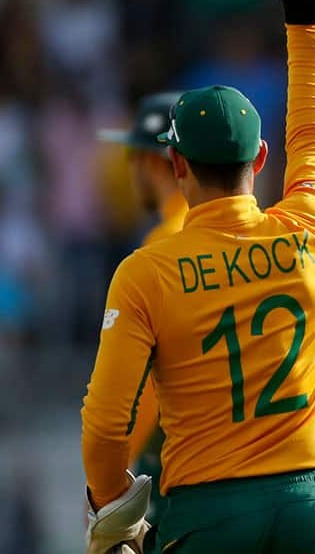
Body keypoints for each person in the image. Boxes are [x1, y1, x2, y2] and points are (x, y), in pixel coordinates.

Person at [81, 0, 315, 553]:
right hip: (313, 507)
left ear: (176, 164)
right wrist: (305, 29)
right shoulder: (310, 230)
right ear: (260, 160)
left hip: (207, 515)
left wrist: (109, 506)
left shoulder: (146, 272)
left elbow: (108, 422)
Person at [96, 90, 189, 529]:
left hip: (180, 472)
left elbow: (143, 392)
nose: (130, 171)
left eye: (135, 157)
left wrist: (113, 486)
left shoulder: (163, 247)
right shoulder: (237, 232)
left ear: (157, 161)